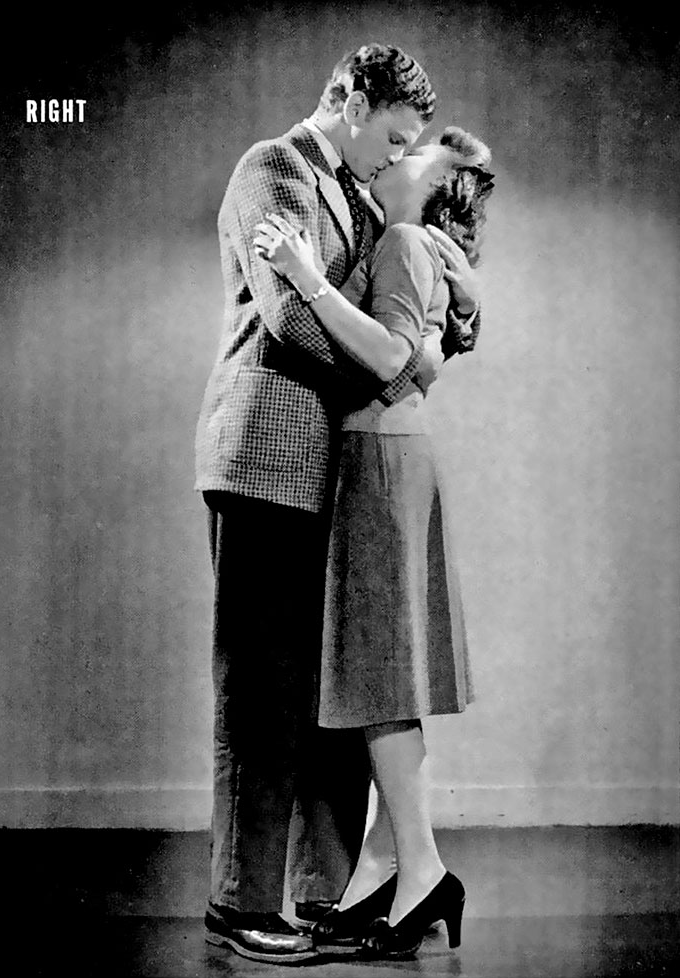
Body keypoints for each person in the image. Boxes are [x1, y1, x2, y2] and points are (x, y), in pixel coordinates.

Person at [194, 45, 481, 964]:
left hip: (339, 469)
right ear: (352, 102)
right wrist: (398, 364)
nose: (398, 158)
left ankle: (324, 891)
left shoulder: (365, 201)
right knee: (262, 691)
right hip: (268, 457)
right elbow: (291, 317)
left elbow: (415, 313)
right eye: (392, 137)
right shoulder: (273, 169)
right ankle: (242, 903)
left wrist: (425, 337)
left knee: (334, 690)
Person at [253, 126, 494, 958]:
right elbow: (422, 356)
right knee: (385, 672)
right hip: (393, 455)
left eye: (414, 156)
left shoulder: (401, 240)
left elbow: (392, 358)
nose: (396, 159)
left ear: (436, 185)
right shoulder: (419, 247)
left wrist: (308, 278)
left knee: (381, 676)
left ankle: (421, 872)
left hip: (380, 460)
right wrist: (459, 316)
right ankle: (383, 872)